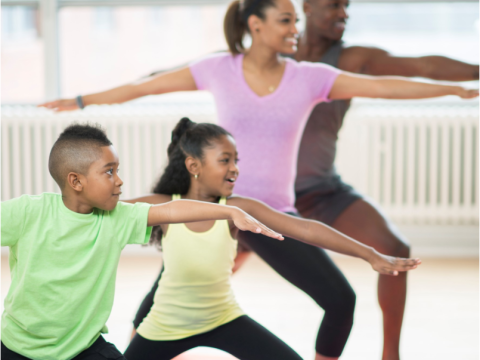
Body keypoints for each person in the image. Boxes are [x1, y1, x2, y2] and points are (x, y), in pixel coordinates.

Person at [39, 0, 478, 358]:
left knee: (340, 301)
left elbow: (385, 86)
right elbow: (146, 87)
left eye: (295, 20)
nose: (295, 29)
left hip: (265, 215)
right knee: (161, 306)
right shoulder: (218, 68)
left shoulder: (311, 78)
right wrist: (81, 100)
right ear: (256, 24)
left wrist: (454, 90)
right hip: (213, 209)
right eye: (286, 20)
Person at [123, 117, 420, 360]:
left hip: (222, 319)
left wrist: (369, 254)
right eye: (225, 160)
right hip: (164, 326)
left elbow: (306, 229)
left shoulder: (239, 208)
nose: (235, 168)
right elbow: (108, 212)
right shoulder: (163, 205)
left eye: (236, 160)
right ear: (194, 166)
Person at [289, 1, 479, 359]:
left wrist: (476, 70)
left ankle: (391, 354)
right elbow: (196, 68)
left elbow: (422, 65)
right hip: (266, 198)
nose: (343, 13)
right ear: (308, 6)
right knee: (210, 262)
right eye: (334, 5)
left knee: (395, 249)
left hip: (322, 191)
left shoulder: (349, 60)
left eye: (347, 6)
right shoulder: (272, 56)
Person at [0, 123, 283, 360]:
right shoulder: (27, 212)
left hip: (83, 348)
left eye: (118, 170)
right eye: (109, 171)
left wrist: (230, 210)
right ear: (76, 181)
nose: (120, 181)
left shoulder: (117, 218)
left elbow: (172, 210)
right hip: (17, 348)